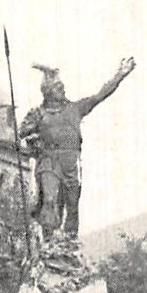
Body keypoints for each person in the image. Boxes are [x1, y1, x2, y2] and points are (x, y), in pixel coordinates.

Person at [18, 57, 136, 239]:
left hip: (71, 163)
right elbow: (21, 133)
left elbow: (100, 95)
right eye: (58, 88)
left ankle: (70, 242)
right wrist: (33, 140)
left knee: (72, 204)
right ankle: (49, 242)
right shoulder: (38, 114)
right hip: (49, 161)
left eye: (62, 88)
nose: (63, 90)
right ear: (48, 92)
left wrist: (120, 74)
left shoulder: (75, 109)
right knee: (50, 200)